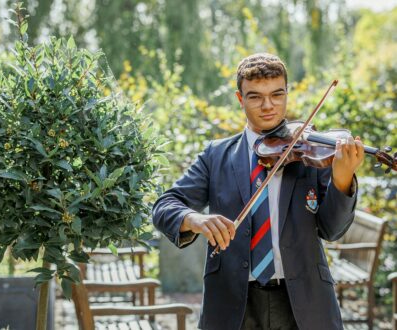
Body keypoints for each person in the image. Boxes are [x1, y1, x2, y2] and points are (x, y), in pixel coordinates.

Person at [152, 53, 365, 330]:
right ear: (240, 99)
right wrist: (195, 219)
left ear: (287, 94)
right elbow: (164, 205)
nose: (268, 106)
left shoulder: (311, 150)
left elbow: (332, 230)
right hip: (232, 302)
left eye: (277, 94)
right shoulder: (216, 155)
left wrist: (342, 179)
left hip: (304, 302)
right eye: (255, 97)